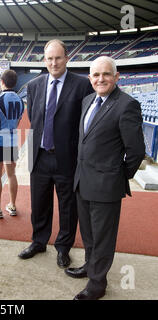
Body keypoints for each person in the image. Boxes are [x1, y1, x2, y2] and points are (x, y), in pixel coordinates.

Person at [65, 56, 145, 300]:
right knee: (88, 234)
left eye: (106, 74)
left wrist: (117, 176)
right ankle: (90, 266)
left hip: (106, 186)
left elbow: (136, 151)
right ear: (90, 78)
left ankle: (97, 284)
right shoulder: (88, 100)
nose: (101, 79)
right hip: (83, 181)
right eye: (96, 75)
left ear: (116, 77)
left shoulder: (126, 105)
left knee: (103, 238)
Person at [19, 39, 94, 268]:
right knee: (39, 204)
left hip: (67, 159)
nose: (54, 62)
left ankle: (63, 248)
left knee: (68, 207)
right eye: (49, 58)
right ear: (45, 60)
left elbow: (85, 123)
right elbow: (35, 118)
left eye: (58, 57)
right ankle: (39, 241)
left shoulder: (82, 85)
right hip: (40, 156)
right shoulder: (34, 86)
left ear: (67, 58)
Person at [0, 69, 24, 218]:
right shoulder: (20, 101)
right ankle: (12, 205)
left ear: (2, 82)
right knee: (11, 174)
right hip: (12, 139)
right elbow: (18, 121)